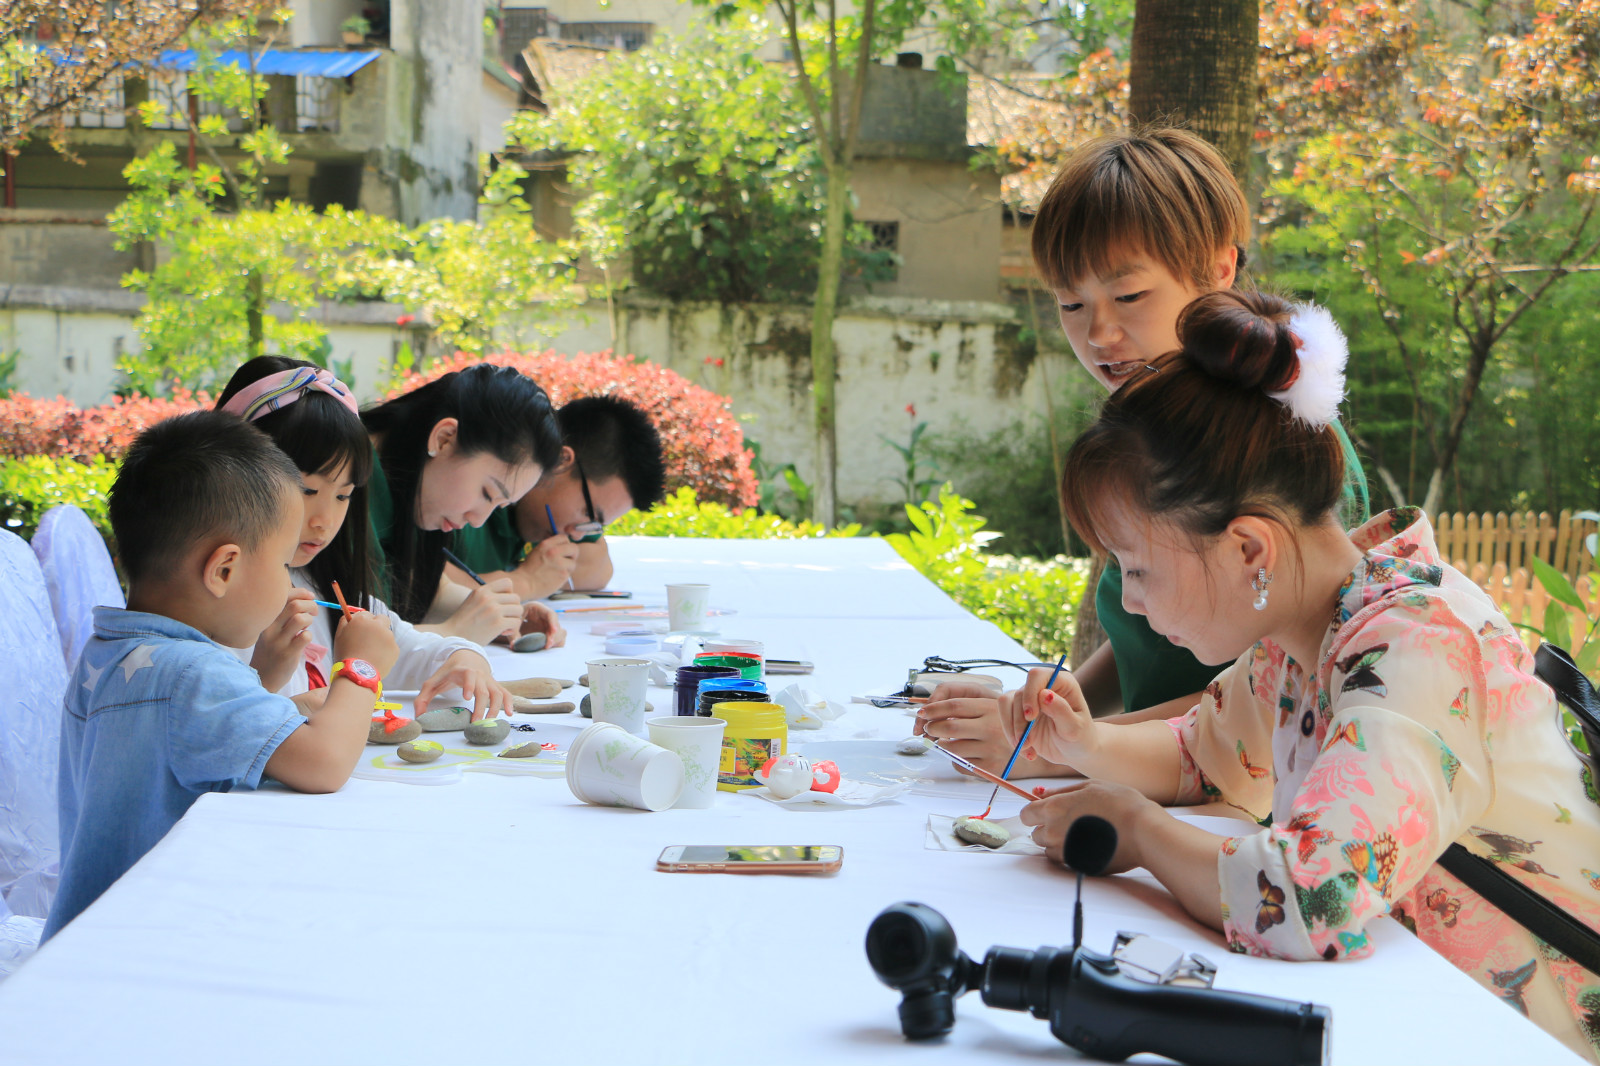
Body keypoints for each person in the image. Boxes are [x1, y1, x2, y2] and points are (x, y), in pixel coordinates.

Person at [1011, 290, 1600, 1063]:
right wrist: (1083, 742)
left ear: (1251, 549)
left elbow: (1308, 897)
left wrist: (1139, 831)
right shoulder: (1308, 630)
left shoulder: (1415, 648)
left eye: (1139, 568)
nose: (1128, 599)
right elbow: (1202, 754)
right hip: (1435, 1013)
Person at [916, 128, 1369, 773]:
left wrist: (1065, 752)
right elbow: (1147, 642)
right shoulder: (1147, 426)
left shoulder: (1277, 445)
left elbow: (1270, 697)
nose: (1099, 332)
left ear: (1219, 268)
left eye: (1129, 296)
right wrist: (1055, 711)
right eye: (1071, 303)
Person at [46, 412, 399, 938]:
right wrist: (361, 667)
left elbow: (177, 747)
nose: (287, 583)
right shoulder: (192, 674)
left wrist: (261, 682)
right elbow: (325, 765)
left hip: (86, 928)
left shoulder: (111, 652)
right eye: (282, 565)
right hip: (147, 940)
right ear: (224, 570)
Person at [216, 358, 514, 720]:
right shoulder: (214, 611)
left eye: (343, 495)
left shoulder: (328, 594)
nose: (325, 521)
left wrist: (465, 659)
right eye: (308, 490)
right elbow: (217, 729)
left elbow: (419, 649)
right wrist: (270, 677)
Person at [359, 364, 567, 647]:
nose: (479, 519)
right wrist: (455, 631)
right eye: (487, 492)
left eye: (500, 505)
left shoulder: (413, 488)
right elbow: (338, 643)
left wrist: (499, 613)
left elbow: (420, 585)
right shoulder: (342, 485)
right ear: (444, 439)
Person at [447, 395, 667, 599]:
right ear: (561, 460)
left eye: (593, 526)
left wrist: (536, 572)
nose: (578, 537)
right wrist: (525, 581)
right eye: (587, 514)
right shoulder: (465, 497)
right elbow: (421, 587)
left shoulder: (545, 517)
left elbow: (600, 568)